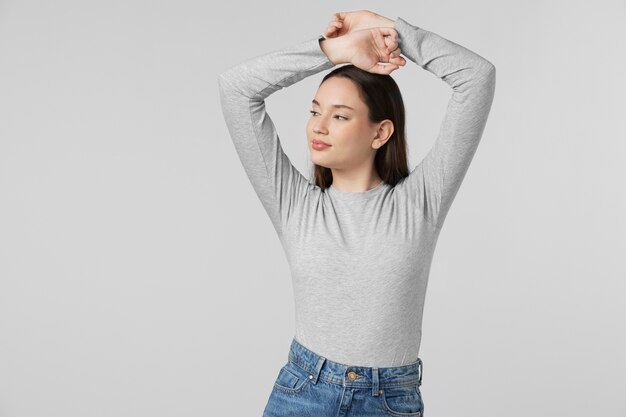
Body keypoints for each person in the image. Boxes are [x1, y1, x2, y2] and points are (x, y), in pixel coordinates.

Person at [218, 9, 495, 417]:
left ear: (381, 133)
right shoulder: (294, 203)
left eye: (340, 116)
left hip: (388, 401)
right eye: (315, 111)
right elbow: (235, 88)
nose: (319, 126)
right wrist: (333, 51)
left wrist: (393, 32)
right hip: (303, 393)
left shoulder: (419, 202)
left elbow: (477, 77)